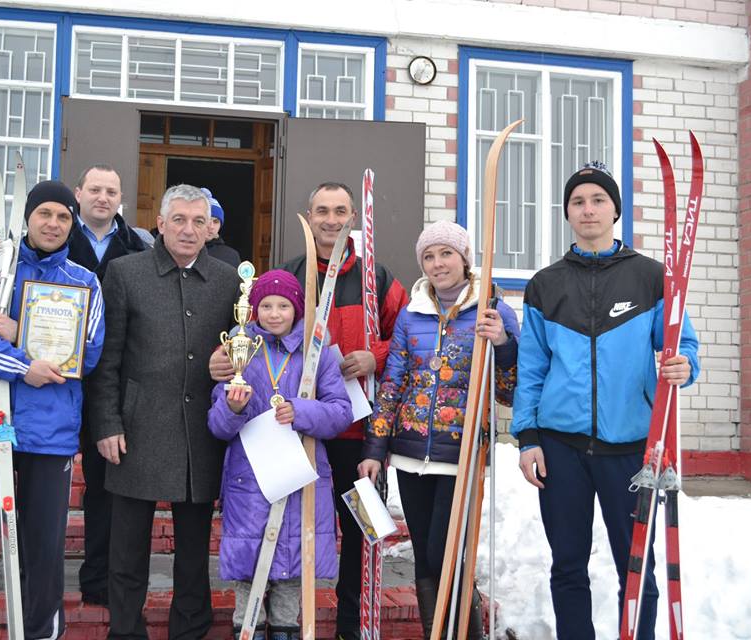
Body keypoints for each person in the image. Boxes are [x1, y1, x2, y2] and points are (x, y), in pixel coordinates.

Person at [511, 162, 700, 640]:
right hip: (560, 447)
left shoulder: (652, 277)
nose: (588, 209)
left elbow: (683, 345)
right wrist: (527, 437)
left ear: (615, 210)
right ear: (567, 214)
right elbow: (531, 369)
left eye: (597, 200)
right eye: (578, 201)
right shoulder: (544, 285)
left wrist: (685, 366)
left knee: (637, 567)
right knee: (567, 564)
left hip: (632, 449)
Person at [213, 181, 409, 640]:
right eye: (322, 210)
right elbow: (258, 336)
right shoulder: (290, 273)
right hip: (299, 437)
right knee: (293, 532)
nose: (331, 220)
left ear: (353, 218)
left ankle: (350, 624)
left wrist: (373, 356)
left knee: (362, 527)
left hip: (357, 431)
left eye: (340, 211)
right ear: (310, 214)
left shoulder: (375, 278)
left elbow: (403, 340)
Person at [0, 180, 105, 638]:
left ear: (73, 225)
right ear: (29, 219)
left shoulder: (83, 283)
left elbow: (86, 353)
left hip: (50, 432)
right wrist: (22, 366)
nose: (53, 224)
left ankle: (40, 631)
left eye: (64, 217)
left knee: (43, 547)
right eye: (45, 214)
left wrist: (20, 333)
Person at [87, 184, 242, 639]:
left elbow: (244, 351)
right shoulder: (124, 273)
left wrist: (231, 361)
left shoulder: (229, 279)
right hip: (137, 428)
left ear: (209, 226)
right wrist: (107, 422)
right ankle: (126, 630)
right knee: (128, 547)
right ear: (160, 222)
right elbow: (106, 360)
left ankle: (189, 629)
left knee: (193, 551)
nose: (189, 230)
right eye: (179, 220)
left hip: (200, 434)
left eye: (198, 221)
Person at [357, 220, 519, 639]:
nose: (437, 263)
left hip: (460, 454)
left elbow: (509, 391)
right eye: (428, 256)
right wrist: (375, 449)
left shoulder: (492, 310)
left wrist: (503, 343)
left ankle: (468, 631)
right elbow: (392, 384)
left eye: (446, 253)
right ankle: (441, 633)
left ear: (464, 258)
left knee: (443, 553)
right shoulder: (412, 316)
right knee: (427, 561)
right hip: (410, 455)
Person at [207, 269, 352, 640]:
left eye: (283, 305)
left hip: (298, 480)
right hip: (249, 482)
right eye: (266, 305)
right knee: (248, 578)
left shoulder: (315, 353)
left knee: (290, 580)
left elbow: (341, 411)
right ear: (253, 310)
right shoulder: (239, 350)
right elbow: (218, 427)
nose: (274, 313)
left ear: (297, 309)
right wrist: (234, 408)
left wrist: (302, 412)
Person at [69, 164, 149, 607]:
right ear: (79, 193)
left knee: (104, 486)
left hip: (114, 385)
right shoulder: (60, 236)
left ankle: (98, 578)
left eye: (111, 191)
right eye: (95, 189)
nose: (103, 197)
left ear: (121, 199)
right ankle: (28, 575)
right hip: (56, 383)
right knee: (42, 483)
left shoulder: (135, 245)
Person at [201, 188, 241, 268]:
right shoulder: (183, 250)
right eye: (207, 219)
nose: (211, 226)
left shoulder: (231, 256)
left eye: (216, 221)